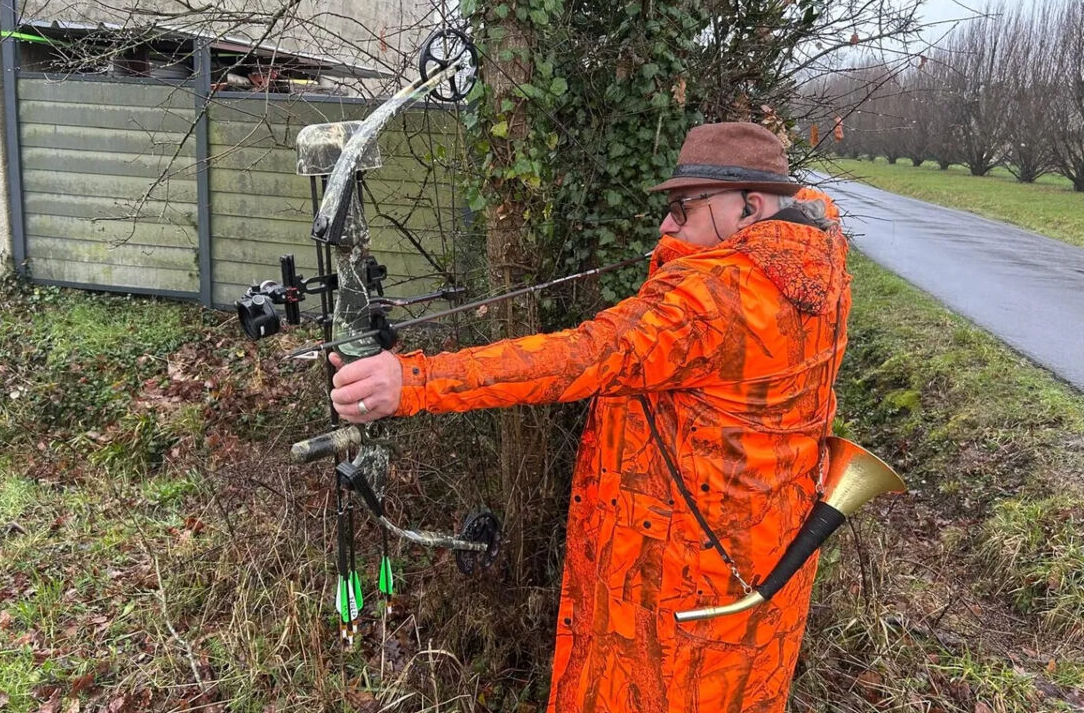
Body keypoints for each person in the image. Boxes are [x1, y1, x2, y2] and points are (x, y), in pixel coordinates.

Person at [327, 122, 850, 713]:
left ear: (749, 209)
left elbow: (579, 356)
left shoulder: (716, 299)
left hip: (683, 590)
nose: (666, 226)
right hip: (767, 568)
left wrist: (411, 381)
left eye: (683, 209)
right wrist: (688, 244)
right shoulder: (814, 261)